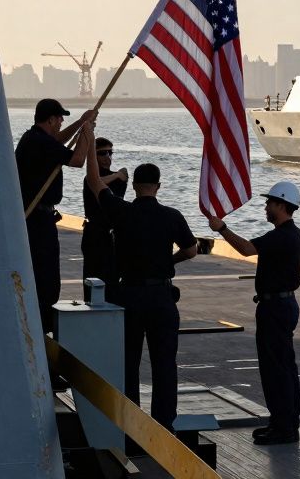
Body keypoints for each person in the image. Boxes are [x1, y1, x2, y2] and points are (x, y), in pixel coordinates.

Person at [88, 158, 197, 431]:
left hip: (130, 294)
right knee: (164, 365)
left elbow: (94, 181)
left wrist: (89, 139)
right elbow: (191, 249)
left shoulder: (122, 211)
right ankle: (163, 426)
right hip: (161, 295)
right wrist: (168, 262)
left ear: (135, 186)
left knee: (129, 363)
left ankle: (131, 424)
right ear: (158, 187)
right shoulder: (172, 216)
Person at [209, 183, 300, 445]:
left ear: (282, 206)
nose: (266, 207)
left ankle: (284, 428)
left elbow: (246, 249)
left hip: (276, 308)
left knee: (276, 369)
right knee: (283, 366)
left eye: (270, 203)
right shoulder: (288, 234)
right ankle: (284, 422)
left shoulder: (283, 236)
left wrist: (222, 229)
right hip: (280, 305)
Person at [15, 98, 97, 335]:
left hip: (37, 217)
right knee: (46, 277)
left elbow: (57, 141)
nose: (62, 122)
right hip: (38, 220)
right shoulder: (39, 142)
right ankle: (42, 326)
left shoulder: (35, 138)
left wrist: (82, 122)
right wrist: (86, 133)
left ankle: (41, 323)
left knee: (44, 274)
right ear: (51, 119)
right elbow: (77, 160)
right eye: (60, 118)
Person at [82, 137, 128, 301]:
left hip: (111, 233)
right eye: (102, 153)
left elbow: (118, 179)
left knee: (111, 278)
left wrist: (116, 176)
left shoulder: (118, 177)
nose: (107, 157)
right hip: (94, 232)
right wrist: (116, 175)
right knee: (92, 276)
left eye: (110, 153)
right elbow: (93, 181)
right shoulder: (92, 179)